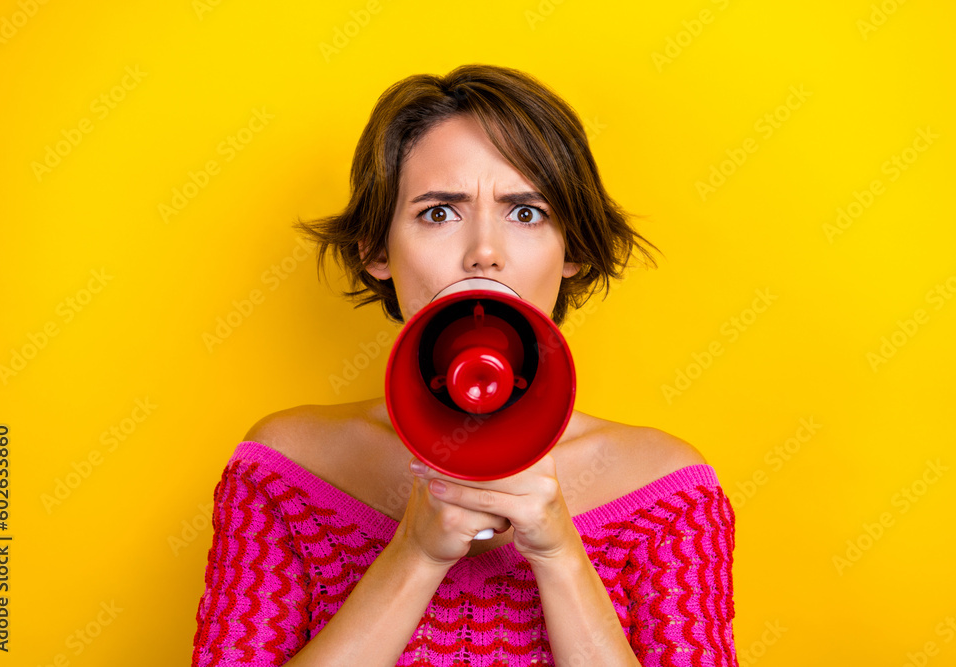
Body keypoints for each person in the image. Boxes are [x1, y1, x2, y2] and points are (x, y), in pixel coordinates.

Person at [191, 64, 738, 667]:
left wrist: (559, 555)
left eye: (525, 212)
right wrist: (417, 554)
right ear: (377, 247)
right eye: (438, 212)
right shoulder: (285, 471)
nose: (484, 253)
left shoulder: (666, 495)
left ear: (573, 250)